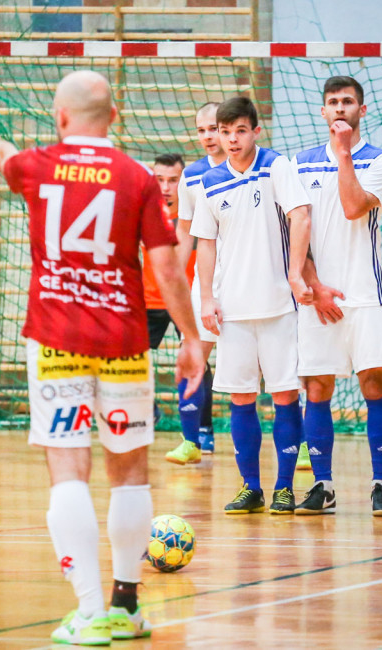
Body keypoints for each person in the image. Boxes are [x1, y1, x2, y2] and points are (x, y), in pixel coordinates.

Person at [0, 70, 204, 646]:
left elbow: (6, 156)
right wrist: (192, 339)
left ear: (61, 117)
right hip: (123, 342)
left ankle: (90, 611)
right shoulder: (136, 178)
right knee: (130, 471)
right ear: (114, 118)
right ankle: (126, 605)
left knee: (68, 468)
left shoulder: (38, 165)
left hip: (55, 339)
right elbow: (167, 266)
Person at [190, 96, 313, 515]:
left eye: (240, 131)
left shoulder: (277, 166)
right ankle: (250, 487)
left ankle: (283, 487)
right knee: (240, 399)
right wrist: (207, 297)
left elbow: (301, 215)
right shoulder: (209, 181)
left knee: (283, 397)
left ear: (255, 131)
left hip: (279, 306)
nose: (231, 139)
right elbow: (206, 244)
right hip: (233, 309)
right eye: (225, 132)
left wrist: (296, 273)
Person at [292, 75, 382, 517]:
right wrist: (314, 287)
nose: (340, 108)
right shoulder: (299, 164)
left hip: (365, 294)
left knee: (374, 383)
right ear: (322, 111)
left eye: (348, 102)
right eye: (333, 102)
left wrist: (342, 156)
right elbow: (294, 236)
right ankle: (323, 486)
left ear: (362, 109)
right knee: (317, 388)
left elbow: (354, 206)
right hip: (318, 297)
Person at [165, 102, 225, 463]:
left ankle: (298, 447)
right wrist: (172, 275)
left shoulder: (262, 168)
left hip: (255, 281)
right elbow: (185, 233)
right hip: (207, 283)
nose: (207, 136)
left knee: (279, 370)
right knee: (190, 359)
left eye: (214, 128)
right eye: (201, 129)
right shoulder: (191, 174)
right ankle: (191, 442)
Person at [140, 153, 196, 428]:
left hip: (186, 300)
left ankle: (201, 428)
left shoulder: (195, 214)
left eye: (172, 180)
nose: (165, 187)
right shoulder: (144, 211)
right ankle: (146, 409)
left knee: (197, 358)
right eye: (159, 180)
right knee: (132, 356)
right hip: (150, 300)